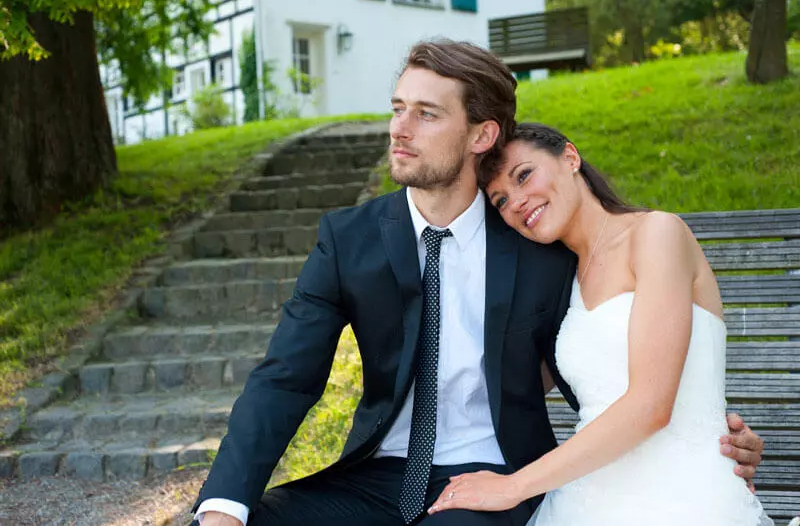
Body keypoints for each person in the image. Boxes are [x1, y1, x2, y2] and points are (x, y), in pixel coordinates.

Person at [192, 40, 764, 526]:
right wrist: (222, 506)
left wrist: (710, 435)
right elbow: (284, 379)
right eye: (397, 109)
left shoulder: (538, 244)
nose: (399, 129)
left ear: (480, 134)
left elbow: (628, 360)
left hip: (494, 474)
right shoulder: (349, 239)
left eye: (427, 114)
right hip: (374, 476)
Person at [428, 123, 773, 525]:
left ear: (570, 158)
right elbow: (503, 388)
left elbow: (651, 405)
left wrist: (513, 486)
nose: (517, 202)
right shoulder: (561, 282)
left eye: (524, 175)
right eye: (501, 200)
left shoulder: (657, 233)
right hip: (585, 498)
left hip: (683, 496)